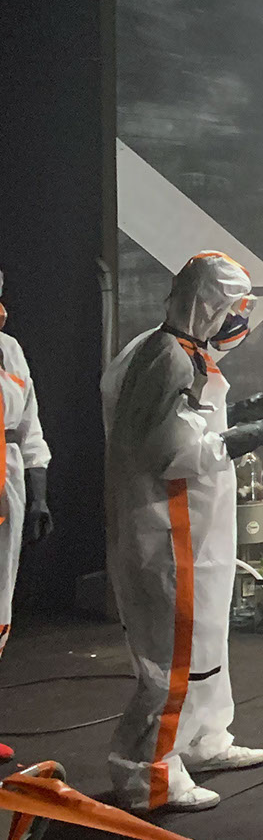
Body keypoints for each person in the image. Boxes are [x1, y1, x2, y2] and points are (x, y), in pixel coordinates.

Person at [101, 252, 263, 812]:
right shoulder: (168, 357)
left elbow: (178, 424)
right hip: (170, 532)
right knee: (172, 659)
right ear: (208, 304)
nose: (239, 320)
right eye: (234, 307)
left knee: (206, 642)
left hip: (197, 528)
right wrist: (257, 433)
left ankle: (202, 739)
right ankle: (147, 774)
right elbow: (171, 454)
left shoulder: (174, 350)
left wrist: (236, 414)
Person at [0, 282, 54, 766]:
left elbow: (29, 428)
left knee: (0, 602)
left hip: (8, 483)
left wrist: (38, 497)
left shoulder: (9, 349)